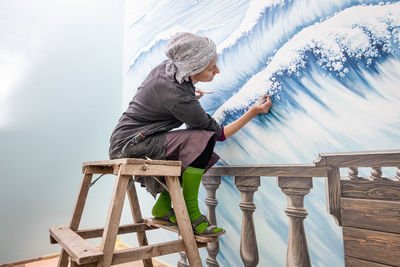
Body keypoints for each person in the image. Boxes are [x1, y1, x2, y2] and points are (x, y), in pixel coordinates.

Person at [109, 32, 272, 237]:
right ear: (193, 68)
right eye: (212, 67)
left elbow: (166, 94)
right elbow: (218, 134)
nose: (218, 70)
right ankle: (191, 216)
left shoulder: (168, 70)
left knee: (194, 143)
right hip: (131, 144)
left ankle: (163, 206)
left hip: (130, 138)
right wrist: (253, 111)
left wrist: (188, 93)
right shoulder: (176, 94)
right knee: (201, 139)